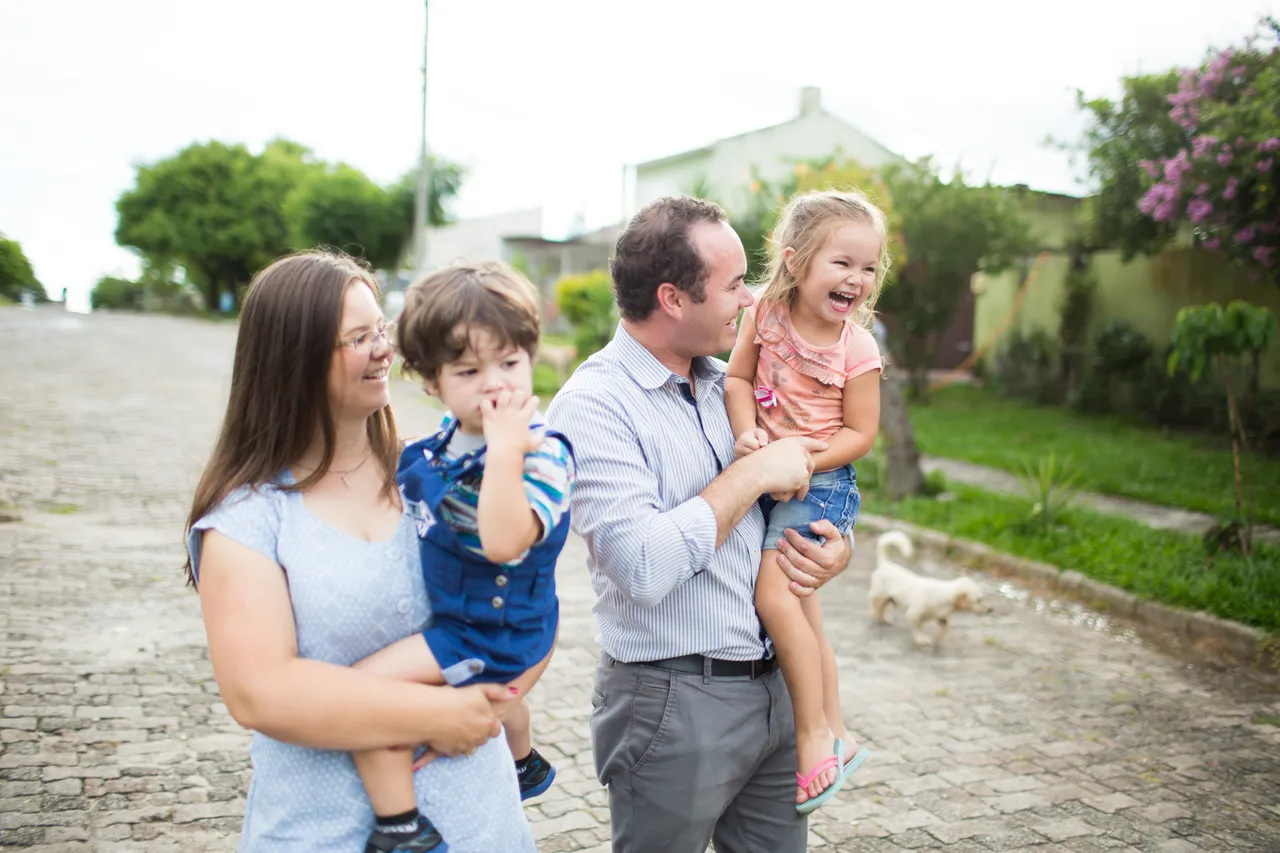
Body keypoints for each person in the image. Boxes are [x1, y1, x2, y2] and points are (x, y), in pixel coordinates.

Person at [185, 250, 535, 853]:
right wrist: (435, 716)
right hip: (326, 830)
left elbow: (525, 591)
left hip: (483, 821)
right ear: (293, 359)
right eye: (357, 338)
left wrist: (507, 692)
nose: (383, 349)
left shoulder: (439, 471)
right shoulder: (248, 518)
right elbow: (259, 692)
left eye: (381, 329)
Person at [546, 196, 853, 853]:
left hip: (776, 690)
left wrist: (836, 548)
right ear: (673, 298)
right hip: (674, 706)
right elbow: (642, 567)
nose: (749, 301)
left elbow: (799, 489)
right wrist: (750, 474)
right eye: (735, 284)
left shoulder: (733, 381)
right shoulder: (594, 405)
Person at [348, 261, 574, 852]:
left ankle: (402, 827)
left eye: (509, 363)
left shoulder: (541, 454)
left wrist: (504, 453)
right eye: (469, 370)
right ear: (432, 381)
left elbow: (504, 542)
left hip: (485, 630)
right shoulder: (447, 438)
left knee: (362, 696)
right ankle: (522, 761)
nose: (495, 384)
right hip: (471, 618)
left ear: (531, 357)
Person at [725, 189, 888, 812]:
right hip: (770, 472)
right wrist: (749, 434)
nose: (857, 279)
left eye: (868, 267)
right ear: (795, 263)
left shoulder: (857, 348)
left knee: (775, 595)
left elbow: (861, 434)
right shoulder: (765, 313)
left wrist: (801, 460)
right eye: (842, 263)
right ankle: (839, 729)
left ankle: (812, 732)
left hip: (822, 483)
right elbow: (739, 379)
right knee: (805, 611)